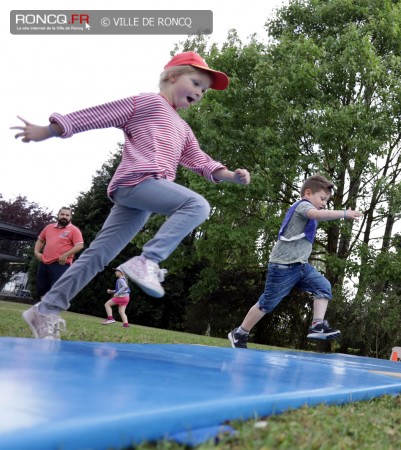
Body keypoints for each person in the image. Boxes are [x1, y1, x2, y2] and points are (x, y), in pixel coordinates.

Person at [13, 51, 251, 340]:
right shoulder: (148, 102)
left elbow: (199, 160)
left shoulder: (184, 129)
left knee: (97, 256)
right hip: (137, 182)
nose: (200, 93)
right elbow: (100, 114)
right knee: (197, 205)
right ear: (172, 76)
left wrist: (229, 175)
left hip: (140, 197)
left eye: (204, 89)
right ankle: (147, 261)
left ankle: (45, 310)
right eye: (196, 83)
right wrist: (50, 130)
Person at [228, 174, 362, 349]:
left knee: (324, 286)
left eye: (326, 200)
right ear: (308, 193)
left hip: (300, 266)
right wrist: (344, 213)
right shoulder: (303, 206)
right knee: (267, 303)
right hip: (282, 267)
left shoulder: (308, 207)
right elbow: (316, 214)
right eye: (322, 198)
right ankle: (240, 333)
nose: (324, 203)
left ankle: (317, 325)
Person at [34, 207, 84, 297]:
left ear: (70, 217)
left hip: (61, 264)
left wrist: (66, 255)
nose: (64, 216)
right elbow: (40, 240)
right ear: (58, 215)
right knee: (40, 287)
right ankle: (41, 308)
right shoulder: (49, 227)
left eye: (67, 215)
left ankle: (50, 309)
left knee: (56, 289)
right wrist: (36, 252)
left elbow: (79, 245)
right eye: (62, 214)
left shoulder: (74, 230)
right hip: (44, 262)